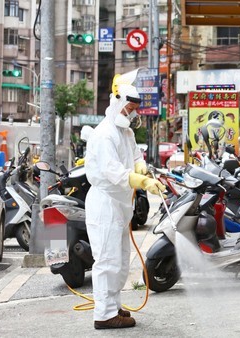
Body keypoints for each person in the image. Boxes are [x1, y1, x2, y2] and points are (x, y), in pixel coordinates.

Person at [84, 83, 166, 330]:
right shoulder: (103, 134)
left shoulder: (126, 133)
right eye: (129, 108)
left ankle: (113, 306)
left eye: (134, 109)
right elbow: (114, 172)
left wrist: (141, 168)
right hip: (105, 202)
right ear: (117, 103)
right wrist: (141, 181)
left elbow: (135, 157)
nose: (132, 114)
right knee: (107, 260)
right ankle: (104, 314)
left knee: (119, 260)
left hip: (120, 204)